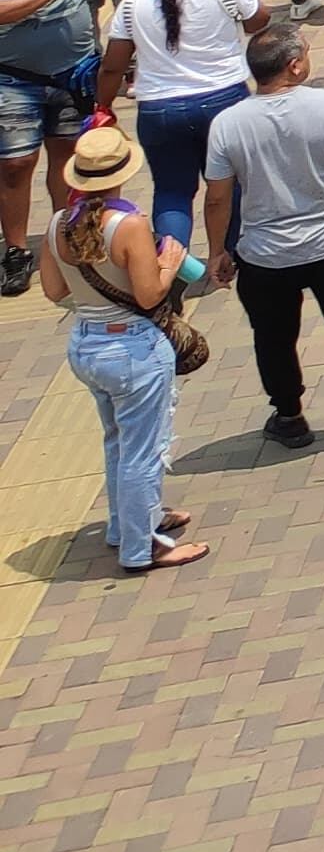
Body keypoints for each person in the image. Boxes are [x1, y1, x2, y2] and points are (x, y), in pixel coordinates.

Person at [200, 18, 324, 465]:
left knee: (273, 337)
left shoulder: (227, 124)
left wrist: (218, 250)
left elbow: (218, 198)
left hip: (265, 256)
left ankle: (289, 417)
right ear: (294, 66)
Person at [39, 120, 207, 571]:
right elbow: (150, 295)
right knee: (143, 451)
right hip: (132, 351)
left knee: (116, 440)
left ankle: (126, 524)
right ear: (121, 174)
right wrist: (169, 265)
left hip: (87, 345)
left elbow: (54, 292)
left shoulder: (58, 223)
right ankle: (142, 546)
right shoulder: (129, 225)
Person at [92, 0, 256, 241]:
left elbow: (112, 65)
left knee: (172, 193)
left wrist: (103, 107)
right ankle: (233, 257)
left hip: (159, 111)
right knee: (232, 184)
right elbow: (257, 22)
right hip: (225, 102)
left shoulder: (134, 3)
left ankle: (171, 269)